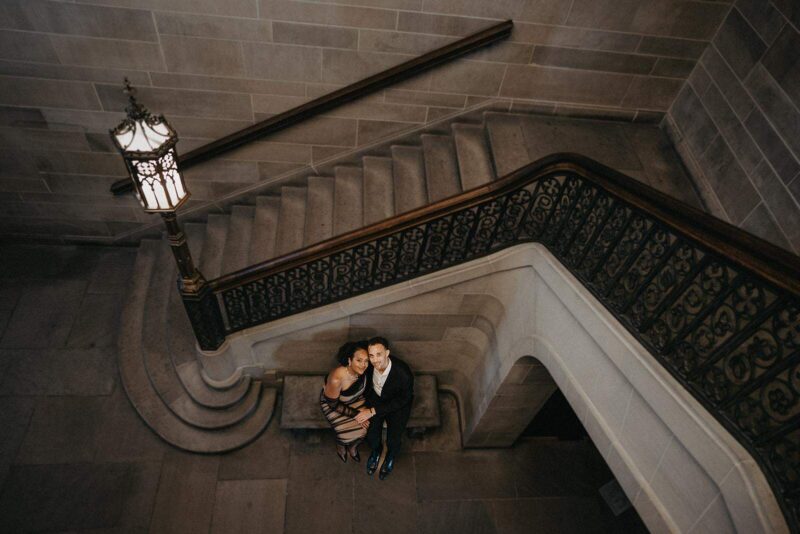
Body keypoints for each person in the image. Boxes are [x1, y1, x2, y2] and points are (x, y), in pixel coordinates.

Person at [355, 336, 414, 480]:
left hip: (397, 406)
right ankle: (376, 451)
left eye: (379, 354)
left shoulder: (403, 373)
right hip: (376, 400)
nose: (375, 360)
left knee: (394, 439)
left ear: (387, 353)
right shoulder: (369, 366)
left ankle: (390, 457)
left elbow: (404, 399)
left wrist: (372, 411)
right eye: (371, 355)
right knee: (371, 434)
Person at [320, 340, 370, 463]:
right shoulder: (337, 378)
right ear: (349, 360)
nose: (363, 364)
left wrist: (366, 409)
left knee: (367, 426)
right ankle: (341, 444)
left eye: (366, 361)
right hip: (335, 405)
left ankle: (353, 447)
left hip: (356, 400)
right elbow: (333, 404)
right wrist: (357, 414)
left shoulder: (363, 371)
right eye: (359, 360)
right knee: (347, 432)